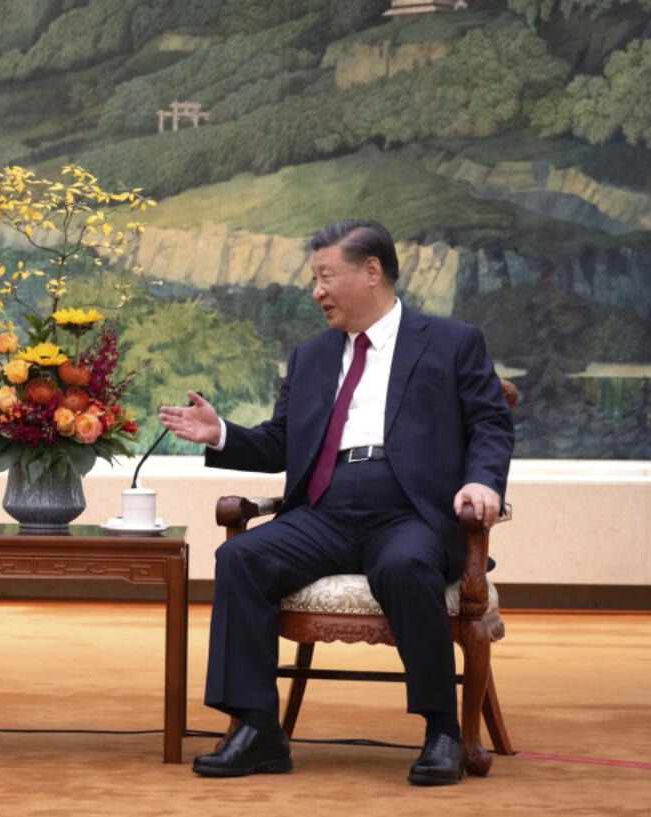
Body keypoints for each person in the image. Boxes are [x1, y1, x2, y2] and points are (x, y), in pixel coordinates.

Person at [158, 219, 513, 785]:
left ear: (371, 271)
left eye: (326, 276)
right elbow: (282, 441)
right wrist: (221, 433)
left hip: (411, 513)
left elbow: (491, 422)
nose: (316, 290)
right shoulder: (312, 356)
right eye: (313, 278)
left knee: (403, 565)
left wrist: (484, 482)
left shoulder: (451, 342)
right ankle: (257, 729)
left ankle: (442, 729)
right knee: (241, 557)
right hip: (324, 511)